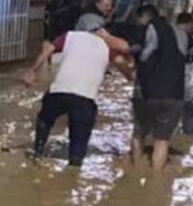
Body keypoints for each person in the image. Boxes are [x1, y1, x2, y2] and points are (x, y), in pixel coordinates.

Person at [22, 22, 131, 165]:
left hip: (59, 91)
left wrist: (32, 70)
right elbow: (122, 63)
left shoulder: (70, 36)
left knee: (44, 119)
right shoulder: (108, 47)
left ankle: (38, 153)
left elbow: (47, 50)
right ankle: (74, 167)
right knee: (79, 140)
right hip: (85, 98)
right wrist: (131, 77)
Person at [130, 4, 193, 170]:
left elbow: (130, 51)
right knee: (162, 140)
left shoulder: (142, 31)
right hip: (173, 95)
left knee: (139, 134)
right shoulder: (182, 34)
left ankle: (135, 171)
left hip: (145, 94)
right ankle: (156, 179)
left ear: (144, 17)